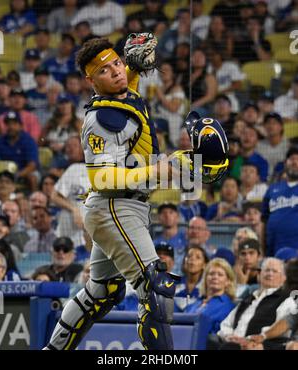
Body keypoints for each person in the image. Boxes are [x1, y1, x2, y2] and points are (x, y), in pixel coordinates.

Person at [44, 36, 229, 351]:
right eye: (105, 70)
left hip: (121, 207)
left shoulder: (120, 92)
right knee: (156, 291)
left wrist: (132, 64)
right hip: (114, 206)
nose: (116, 72)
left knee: (101, 291)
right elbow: (102, 177)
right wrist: (159, 171)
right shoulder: (103, 120)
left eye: (117, 63)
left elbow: (123, 82)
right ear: (91, 80)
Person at [210, 258, 295, 350]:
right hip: (233, 344)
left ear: (284, 278)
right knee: (211, 340)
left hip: (260, 345)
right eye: (266, 270)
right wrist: (229, 336)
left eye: (274, 271)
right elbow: (226, 324)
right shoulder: (247, 299)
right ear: (259, 275)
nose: (270, 274)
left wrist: (253, 339)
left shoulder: (286, 299)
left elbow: (283, 329)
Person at [185, 258, 236, 350]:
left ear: (228, 281)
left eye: (220, 275)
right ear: (205, 279)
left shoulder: (229, 306)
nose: (215, 277)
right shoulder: (195, 303)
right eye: (211, 274)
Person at [262, 147, 298, 256]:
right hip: (274, 248)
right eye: (292, 159)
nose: (295, 162)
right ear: (285, 163)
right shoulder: (272, 189)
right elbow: (264, 220)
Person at [0, 111, 39, 191]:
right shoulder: (1, 141)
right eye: (8, 124)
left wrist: (16, 175)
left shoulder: (28, 141)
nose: (11, 127)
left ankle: (35, 198)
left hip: (23, 172)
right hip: (4, 172)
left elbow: (32, 166)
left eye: (14, 124)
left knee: (32, 177)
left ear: (20, 126)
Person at [153, 203, 187, 276]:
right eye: (163, 213)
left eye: (171, 212)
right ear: (159, 217)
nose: (167, 215)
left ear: (177, 216)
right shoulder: (153, 244)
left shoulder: (187, 240)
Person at [174, 245, 209, 312]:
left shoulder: (208, 287)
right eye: (189, 256)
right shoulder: (173, 284)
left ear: (204, 265)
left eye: (198, 257)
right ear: (184, 262)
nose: (192, 259)